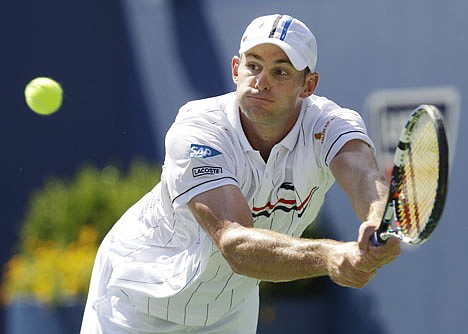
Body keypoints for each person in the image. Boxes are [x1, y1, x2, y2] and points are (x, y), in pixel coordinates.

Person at [81, 14, 400, 334]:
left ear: (308, 86)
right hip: (136, 298)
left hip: (228, 308)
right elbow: (234, 242)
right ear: (236, 69)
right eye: (253, 65)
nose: (262, 81)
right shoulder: (198, 130)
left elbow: (362, 175)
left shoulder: (329, 124)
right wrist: (330, 256)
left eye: (280, 71)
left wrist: (377, 217)